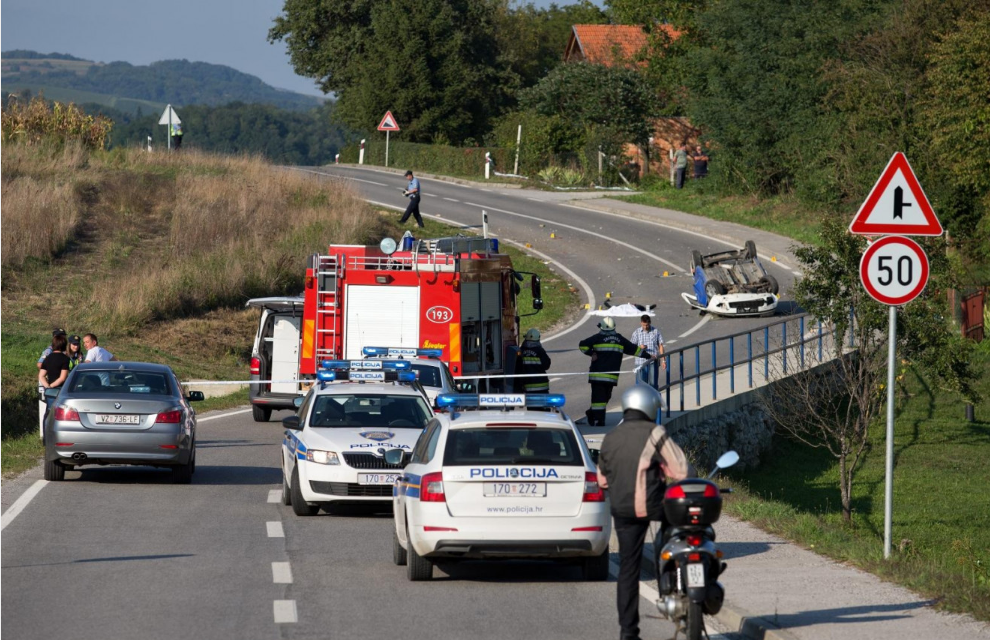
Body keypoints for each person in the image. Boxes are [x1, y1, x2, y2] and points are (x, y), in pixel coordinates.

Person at [597, 385, 691, 640]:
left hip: (622, 510)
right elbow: (681, 471)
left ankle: (628, 633)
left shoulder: (610, 437)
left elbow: (602, 480)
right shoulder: (655, 432)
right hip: (653, 505)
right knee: (676, 533)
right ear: (649, 407)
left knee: (628, 569)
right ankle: (669, 582)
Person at [578, 317, 655, 427]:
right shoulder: (620, 339)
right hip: (610, 376)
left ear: (602, 328)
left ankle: (592, 414)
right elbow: (634, 349)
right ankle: (599, 421)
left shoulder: (598, 338)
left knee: (601, 399)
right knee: (601, 399)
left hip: (599, 375)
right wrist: (649, 356)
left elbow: (582, 345)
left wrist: (591, 353)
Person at [38, 333, 71, 421]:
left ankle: (46, 432)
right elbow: (62, 378)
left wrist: (48, 386)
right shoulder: (65, 359)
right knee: (61, 413)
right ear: (64, 345)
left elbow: (41, 376)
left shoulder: (47, 358)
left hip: (49, 391)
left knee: (49, 411)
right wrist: (53, 386)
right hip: (61, 389)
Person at [630, 315, 666, 388]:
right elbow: (631, 347)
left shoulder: (655, 331)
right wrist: (640, 347)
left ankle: (653, 399)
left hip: (652, 361)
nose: (645, 327)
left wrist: (663, 360)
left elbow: (660, 346)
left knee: (653, 384)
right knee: (641, 386)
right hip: (640, 363)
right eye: (643, 325)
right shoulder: (637, 332)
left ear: (650, 323)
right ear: (641, 323)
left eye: (647, 325)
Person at [514, 328, 551, 393]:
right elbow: (546, 365)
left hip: (527, 387)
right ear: (538, 338)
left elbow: (517, 367)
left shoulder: (520, 352)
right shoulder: (540, 351)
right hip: (542, 387)